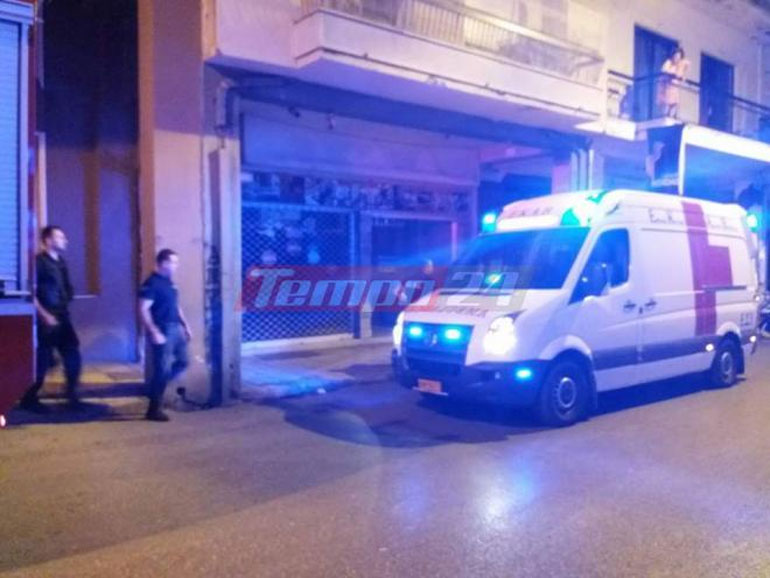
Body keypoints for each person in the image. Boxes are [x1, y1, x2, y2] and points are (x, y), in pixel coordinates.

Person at [20, 226, 82, 412]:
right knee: (43, 359)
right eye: (60, 237)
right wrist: (44, 314)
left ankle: (71, 394)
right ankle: (29, 398)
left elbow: (65, 286)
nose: (65, 240)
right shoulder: (39, 263)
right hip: (46, 318)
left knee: (72, 353)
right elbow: (31, 292)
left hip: (61, 316)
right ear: (48, 240)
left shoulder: (61, 262)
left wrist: (68, 296)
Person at [139, 249, 191, 422]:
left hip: (175, 328)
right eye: (173, 262)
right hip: (163, 329)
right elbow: (143, 309)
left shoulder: (169, 283)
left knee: (183, 361)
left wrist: (185, 325)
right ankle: (154, 409)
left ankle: (157, 387)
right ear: (163, 263)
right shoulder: (152, 283)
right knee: (161, 369)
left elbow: (176, 306)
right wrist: (154, 331)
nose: (176, 266)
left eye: (177, 262)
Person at [658, 47, 690, 118]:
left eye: (679, 56)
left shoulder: (679, 66)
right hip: (666, 87)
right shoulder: (668, 63)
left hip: (674, 87)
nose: (677, 58)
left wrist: (681, 77)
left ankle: (671, 117)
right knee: (667, 104)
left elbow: (685, 67)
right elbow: (664, 71)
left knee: (674, 104)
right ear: (672, 56)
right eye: (676, 56)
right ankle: (665, 117)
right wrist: (672, 74)